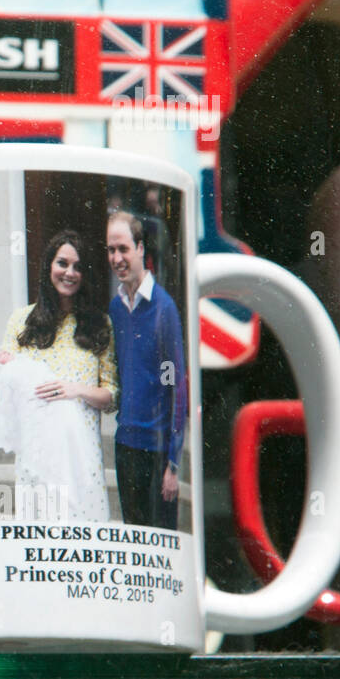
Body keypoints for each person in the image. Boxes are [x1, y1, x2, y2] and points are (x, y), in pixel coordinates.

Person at [0, 231, 117, 521]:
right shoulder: (22, 321)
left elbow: (111, 395)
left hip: (81, 457)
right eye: (62, 263)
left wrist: (75, 389)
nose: (69, 273)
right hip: (36, 453)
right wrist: (1, 374)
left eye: (77, 267)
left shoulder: (99, 324)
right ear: (48, 267)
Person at [106, 210, 188, 529]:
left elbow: (177, 388)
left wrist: (173, 464)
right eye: (111, 250)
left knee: (160, 544)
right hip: (126, 444)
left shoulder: (163, 308)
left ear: (141, 248)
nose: (117, 258)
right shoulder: (116, 307)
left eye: (123, 249)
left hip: (156, 452)